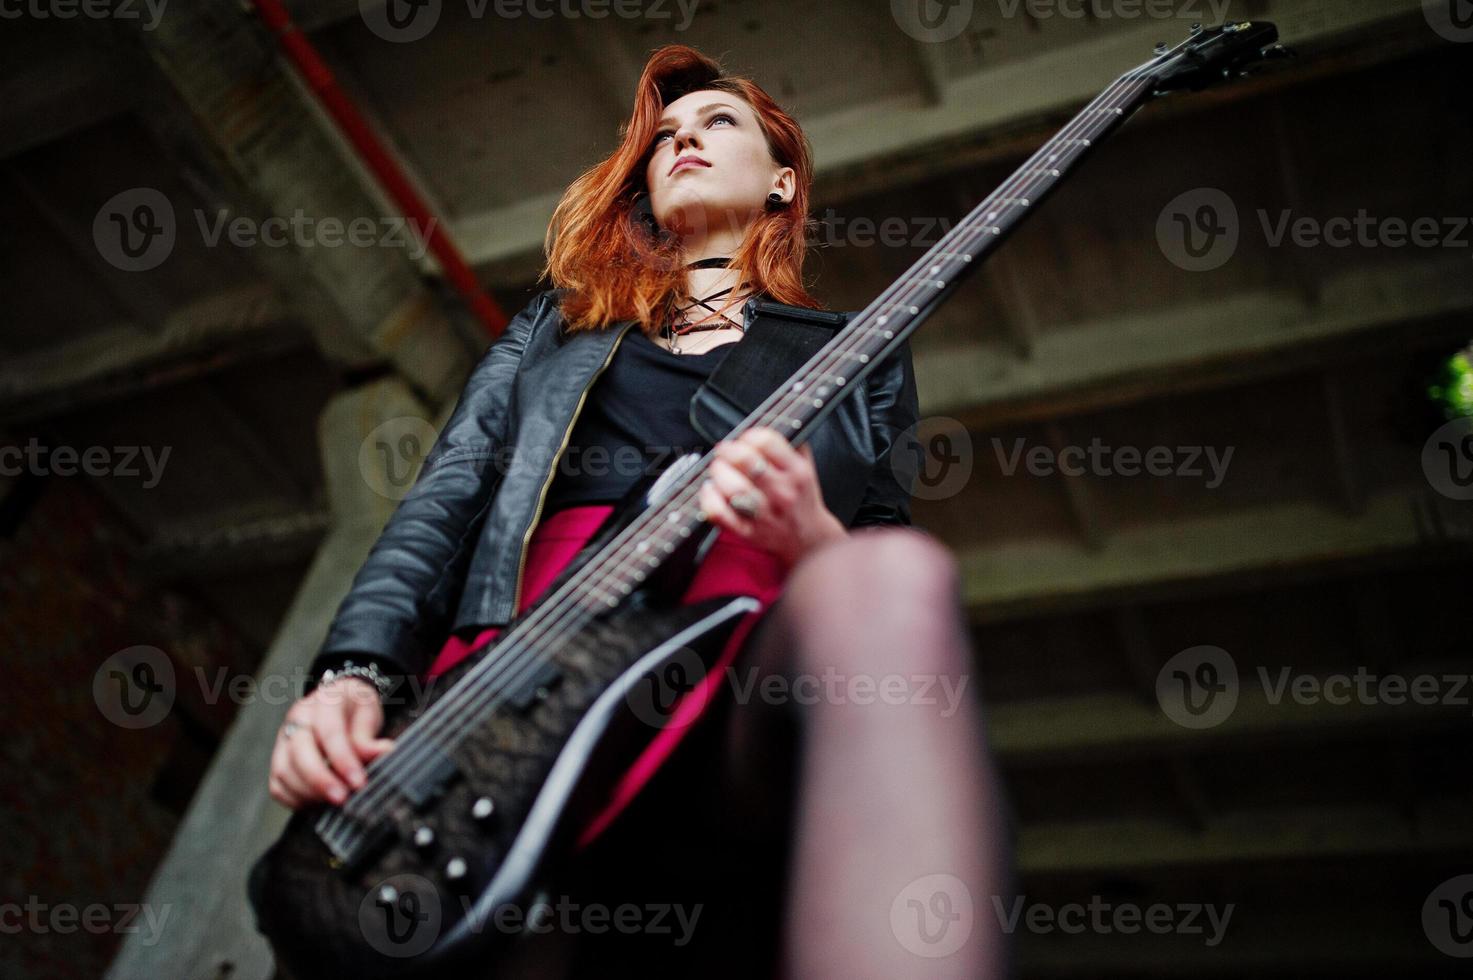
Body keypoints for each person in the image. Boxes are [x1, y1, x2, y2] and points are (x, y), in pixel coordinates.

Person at [266, 44, 1008, 980]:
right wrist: (353, 675)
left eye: (717, 122)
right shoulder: (558, 325)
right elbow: (444, 499)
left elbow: (876, 532)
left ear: (782, 183)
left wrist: (811, 539)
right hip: (508, 672)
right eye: (663, 137)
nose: (682, 141)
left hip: (724, 671)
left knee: (896, 579)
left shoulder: (861, 350)